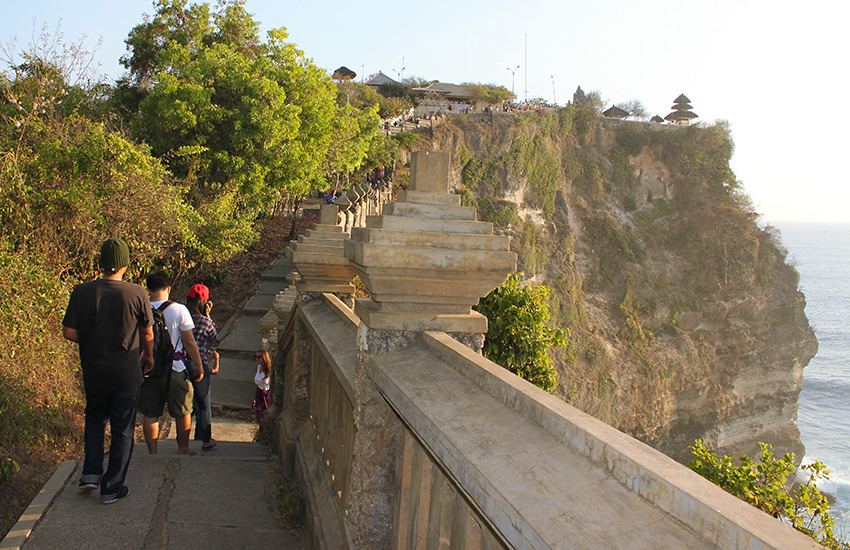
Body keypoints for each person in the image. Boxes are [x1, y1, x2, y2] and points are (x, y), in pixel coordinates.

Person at [62, 238, 153, 504]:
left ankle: (91, 473)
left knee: (94, 418)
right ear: (126, 263)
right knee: (123, 429)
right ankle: (111, 487)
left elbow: (69, 332)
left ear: (100, 263)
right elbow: (147, 331)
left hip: (94, 370)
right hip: (126, 372)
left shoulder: (82, 291)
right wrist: (149, 356)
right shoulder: (137, 293)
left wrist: (92, 342)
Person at [139, 272, 204, 455]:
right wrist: (198, 365)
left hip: (149, 368)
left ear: (148, 290)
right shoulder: (180, 309)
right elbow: (189, 342)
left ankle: (153, 452)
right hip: (175, 367)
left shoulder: (140, 309)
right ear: (168, 288)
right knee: (183, 410)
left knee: (150, 413)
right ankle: (183, 448)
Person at [186, 283, 219, 450]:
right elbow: (214, 337)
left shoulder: (183, 317)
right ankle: (205, 438)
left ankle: (183, 439)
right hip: (200, 365)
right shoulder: (205, 322)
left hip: (182, 364)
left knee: (186, 404)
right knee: (204, 402)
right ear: (205, 303)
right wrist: (208, 315)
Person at [253, 350, 271, 423]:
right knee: (258, 413)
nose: (257, 359)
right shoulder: (259, 367)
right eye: (256, 357)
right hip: (258, 392)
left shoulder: (268, 370)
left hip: (265, 394)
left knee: (264, 413)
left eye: (259, 357)